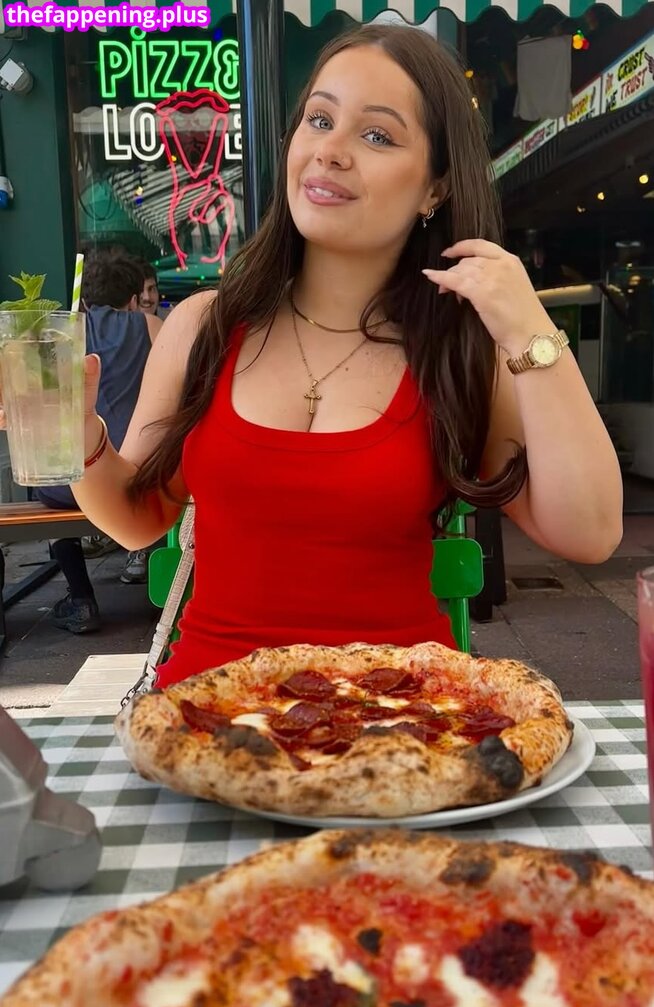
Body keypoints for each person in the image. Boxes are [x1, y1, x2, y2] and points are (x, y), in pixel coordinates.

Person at [2, 26, 622, 674]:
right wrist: (81, 435)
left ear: (435, 188)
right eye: (319, 120)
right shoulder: (204, 326)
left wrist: (529, 333)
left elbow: (590, 531)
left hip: (404, 717)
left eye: (376, 135)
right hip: (210, 712)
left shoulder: (458, 349)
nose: (330, 151)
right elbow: (139, 516)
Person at [34, 252, 162, 632]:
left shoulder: (59, 337)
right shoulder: (150, 326)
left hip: (68, 483)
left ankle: (80, 597)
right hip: (137, 472)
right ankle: (156, 578)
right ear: (133, 299)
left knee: (45, 481)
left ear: (86, 301)